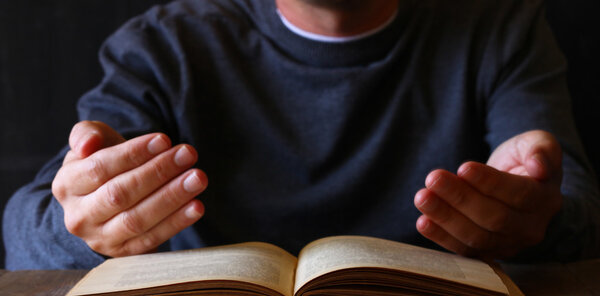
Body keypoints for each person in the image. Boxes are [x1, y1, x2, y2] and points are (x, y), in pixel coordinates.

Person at [3, 0, 600, 269]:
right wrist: (88, 217)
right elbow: (26, 224)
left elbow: (576, 204)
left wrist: (538, 213)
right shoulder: (165, 46)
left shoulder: (501, 23)